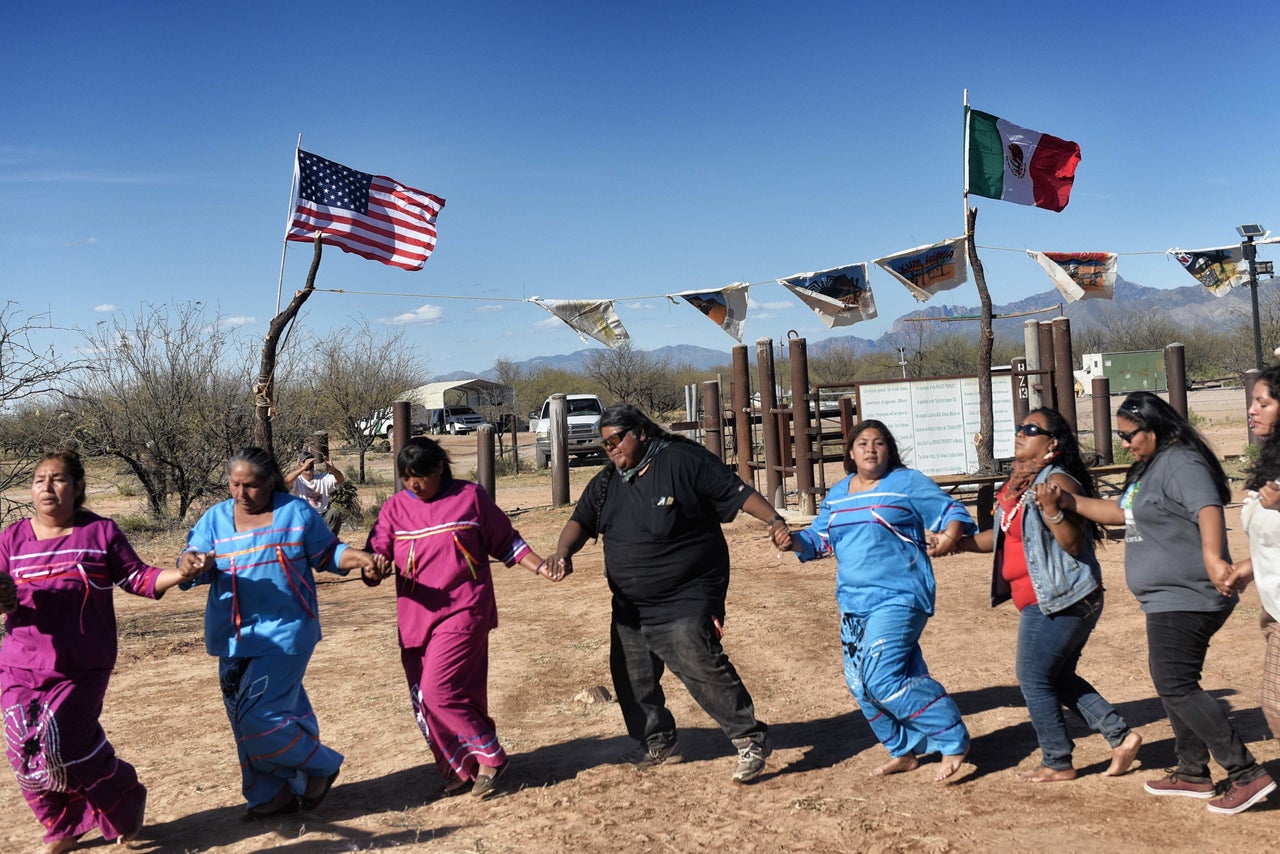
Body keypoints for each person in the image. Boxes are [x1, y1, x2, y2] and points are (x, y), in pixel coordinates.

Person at [1038, 391, 1275, 815]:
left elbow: (1207, 507)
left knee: (1175, 682)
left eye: (1129, 435)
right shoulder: (1148, 467)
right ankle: (1192, 771)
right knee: (1173, 682)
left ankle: (1245, 773)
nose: (1124, 443)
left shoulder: (1182, 461)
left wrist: (1213, 558)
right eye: (1121, 435)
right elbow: (1118, 512)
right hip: (1166, 596)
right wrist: (1067, 503)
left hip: (1188, 595)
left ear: (1155, 427)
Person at [548, 403, 783, 784]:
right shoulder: (608, 482)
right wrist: (562, 553)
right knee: (630, 674)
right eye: (604, 444)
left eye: (616, 440)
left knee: (695, 657)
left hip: (687, 593)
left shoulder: (682, 461)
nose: (611, 449)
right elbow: (580, 520)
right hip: (631, 605)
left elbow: (737, 492)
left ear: (640, 432)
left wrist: (774, 520)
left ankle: (750, 738)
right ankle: (657, 741)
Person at [0, 451, 196, 853]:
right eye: (39, 479)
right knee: (24, 748)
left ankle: (123, 795)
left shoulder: (100, 533)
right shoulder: (10, 539)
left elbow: (137, 577)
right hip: (20, 664)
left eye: (58, 479)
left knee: (66, 744)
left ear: (78, 488)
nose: (47, 487)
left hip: (83, 664)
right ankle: (62, 826)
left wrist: (182, 574)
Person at [179, 446, 378, 818]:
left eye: (251, 486)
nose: (241, 494)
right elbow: (192, 558)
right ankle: (270, 795)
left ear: (271, 482)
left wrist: (361, 557)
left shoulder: (296, 513)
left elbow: (329, 554)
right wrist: (190, 564)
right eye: (234, 484)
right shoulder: (215, 519)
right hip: (232, 635)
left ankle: (320, 765)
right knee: (243, 716)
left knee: (258, 716)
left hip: (287, 631)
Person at [773, 419, 976, 781]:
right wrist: (792, 541)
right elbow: (819, 541)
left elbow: (952, 512)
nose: (871, 449)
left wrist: (949, 538)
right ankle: (905, 749)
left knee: (882, 678)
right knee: (860, 683)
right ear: (850, 453)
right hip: (854, 604)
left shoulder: (906, 483)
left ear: (889, 450)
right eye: (863, 443)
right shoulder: (837, 495)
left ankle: (951, 737)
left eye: (879, 443)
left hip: (900, 596)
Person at [363, 437, 564, 799]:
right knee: (429, 699)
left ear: (439, 467)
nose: (413, 485)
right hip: (416, 618)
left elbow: (506, 542)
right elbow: (374, 557)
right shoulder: (394, 509)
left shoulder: (470, 497)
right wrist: (373, 569)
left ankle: (490, 755)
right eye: (406, 478)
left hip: (464, 609)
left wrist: (541, 568)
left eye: (419, 476)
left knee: (438, 691)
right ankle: (460, 767)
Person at [947, 408, 1142, 781]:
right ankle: (1120, 737)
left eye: (1031, 429)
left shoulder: (1057, 482)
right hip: (1048, 598)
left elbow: (1074, 544)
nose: (1021, 433)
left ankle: (1057, 759)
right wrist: (958, 544)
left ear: (1051, 443)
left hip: (1062, 597)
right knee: (1057, 676)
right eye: (1020, 427)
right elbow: (1001, 536)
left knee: (1033, 676)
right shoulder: (1020, 485)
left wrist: (1053, 510)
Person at [1226, 365, 1280, 739]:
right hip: (1274, 606)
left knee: (1277, 706)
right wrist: (1249, 566)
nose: (1252, 409)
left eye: (1263, 402)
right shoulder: (1270, 460)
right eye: (1252, 401)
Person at [285, 451, 345, 534]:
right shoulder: (297, 481)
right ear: (299, 465)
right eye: (305, 462)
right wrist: (302, 468)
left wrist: (333, 469)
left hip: (322, 516)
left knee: (334, 513)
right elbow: (287, 481)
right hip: (305, 517)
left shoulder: (322, 478)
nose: (308, 466)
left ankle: (329, 543)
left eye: (310, 464)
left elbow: (340, 479)